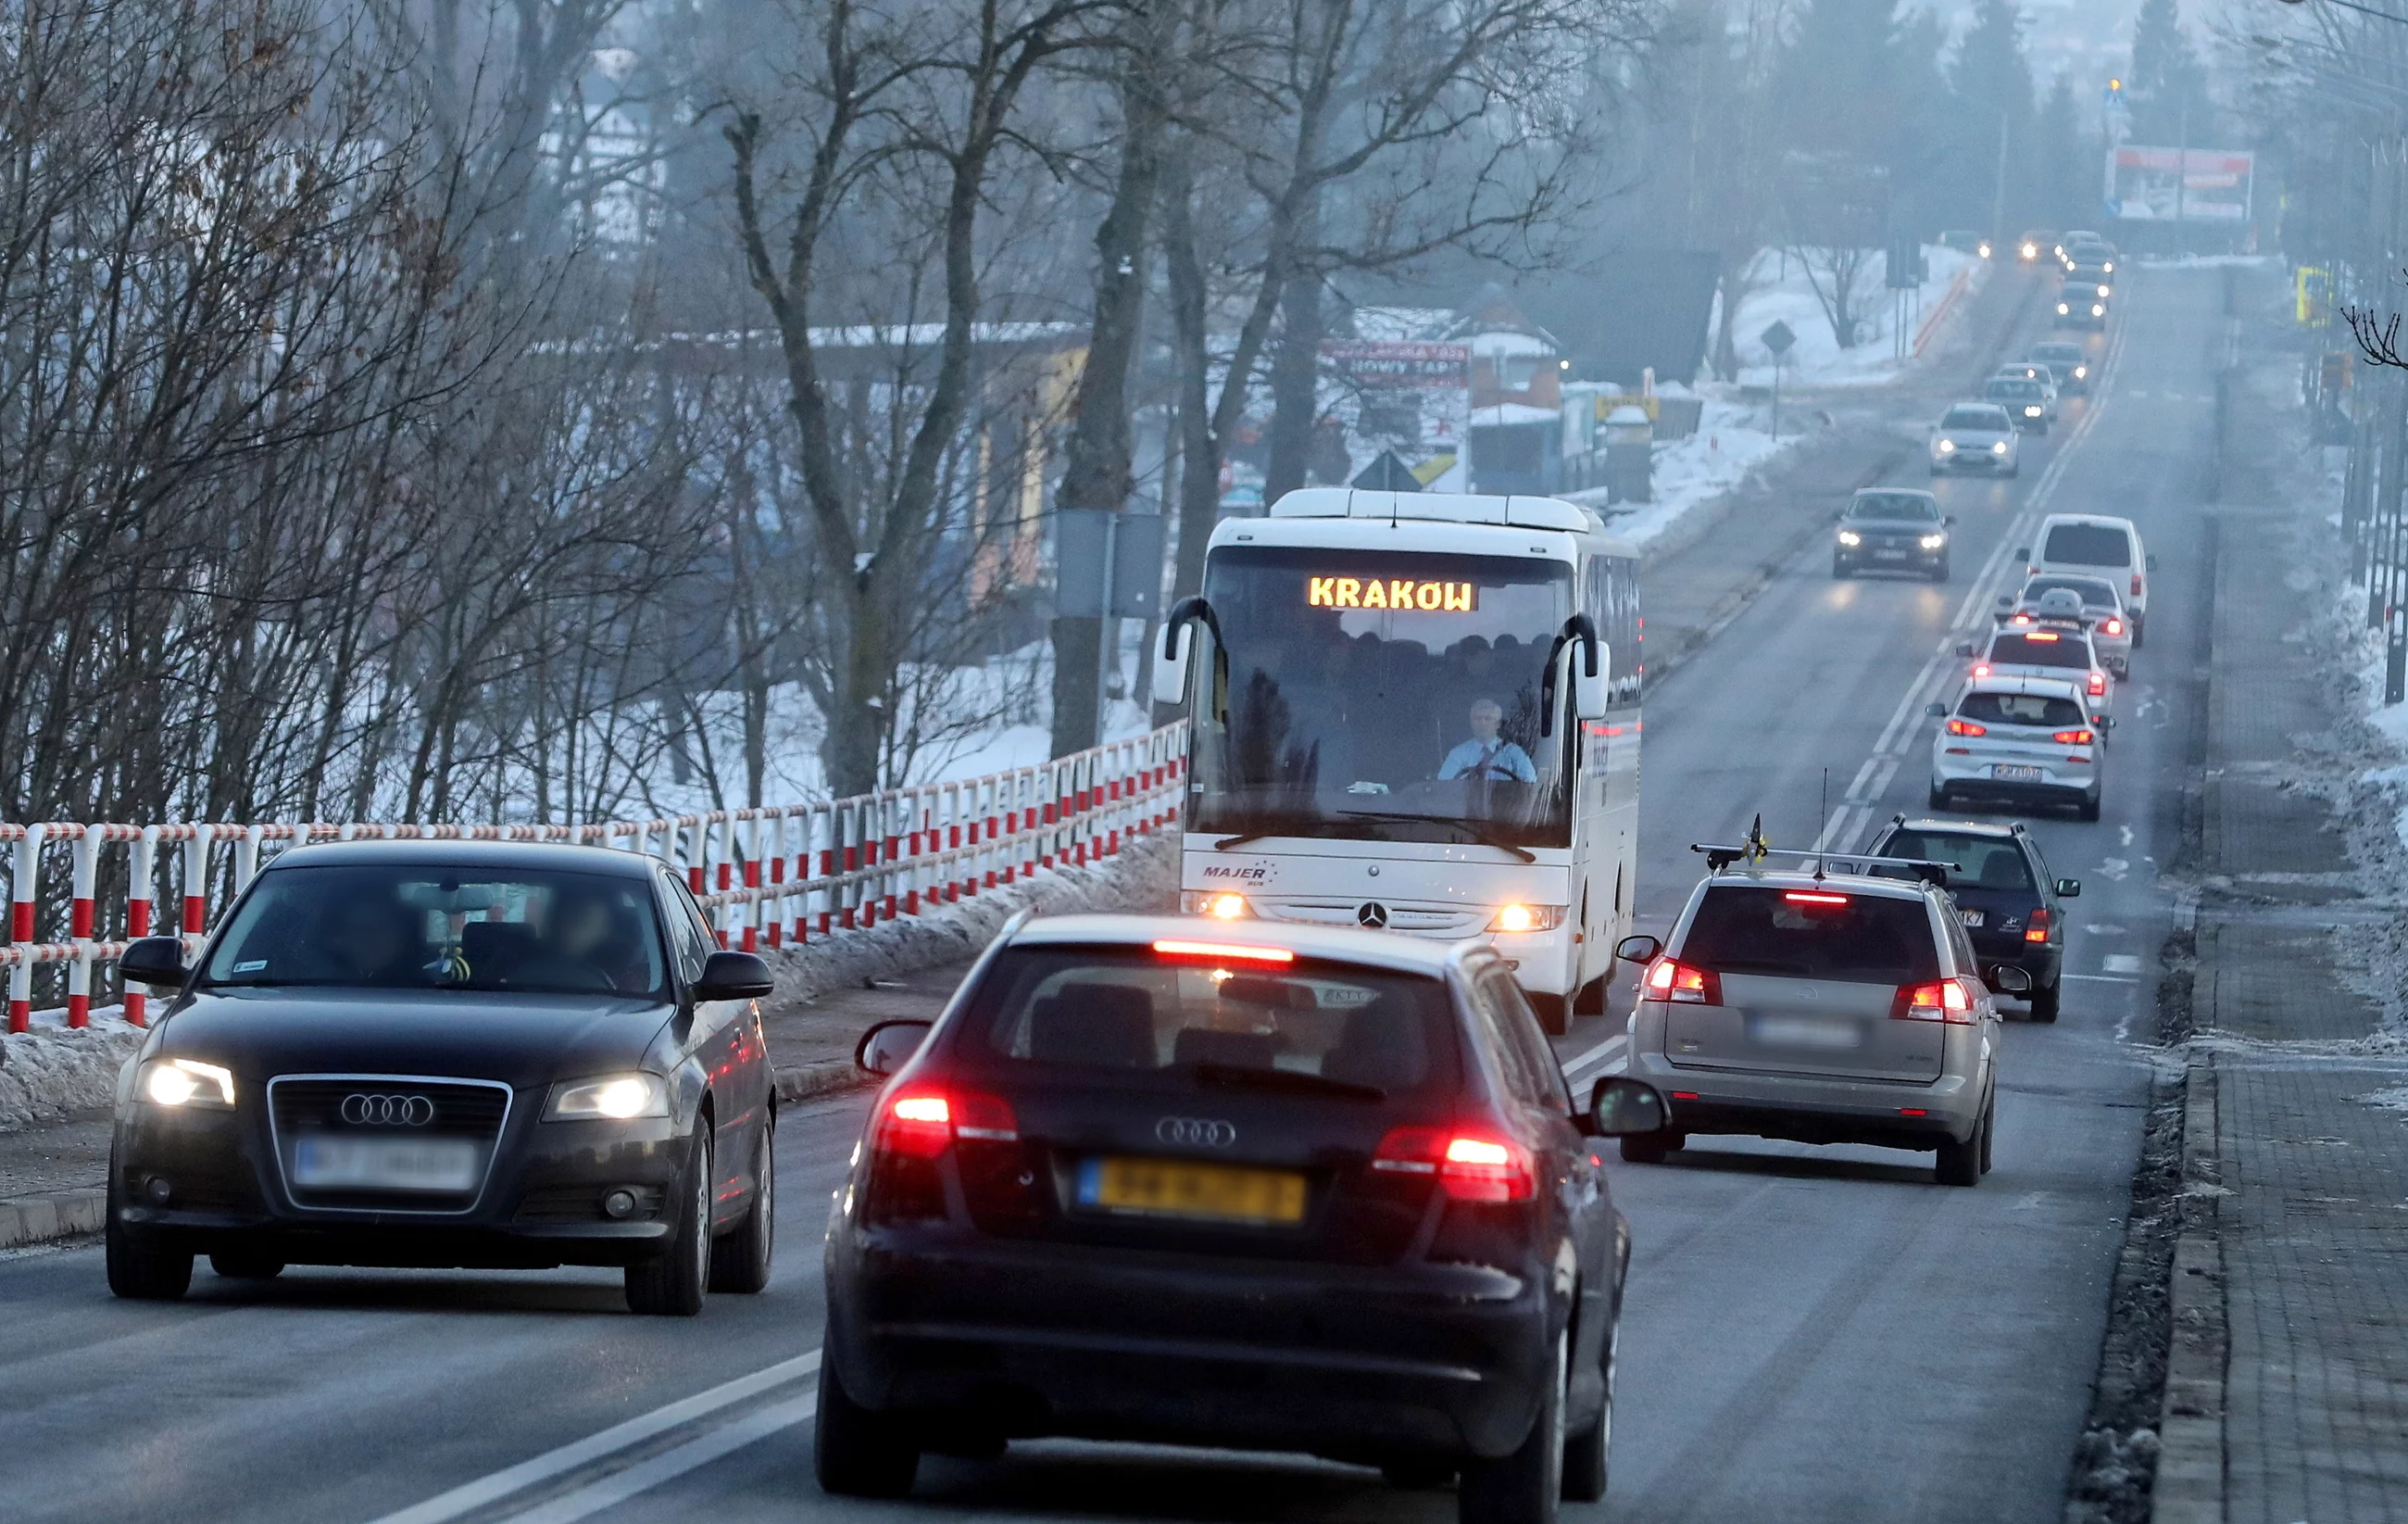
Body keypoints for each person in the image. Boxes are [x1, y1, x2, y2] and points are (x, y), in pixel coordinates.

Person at [1437, 699, 1537, 782]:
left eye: (1488, 718)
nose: (1483, 723)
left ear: (1498, 724)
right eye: (1478, 718)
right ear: (1471, 723)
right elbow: (1444, 785)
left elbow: (1530, 784)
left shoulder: (1514, 753)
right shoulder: (1458, 754)